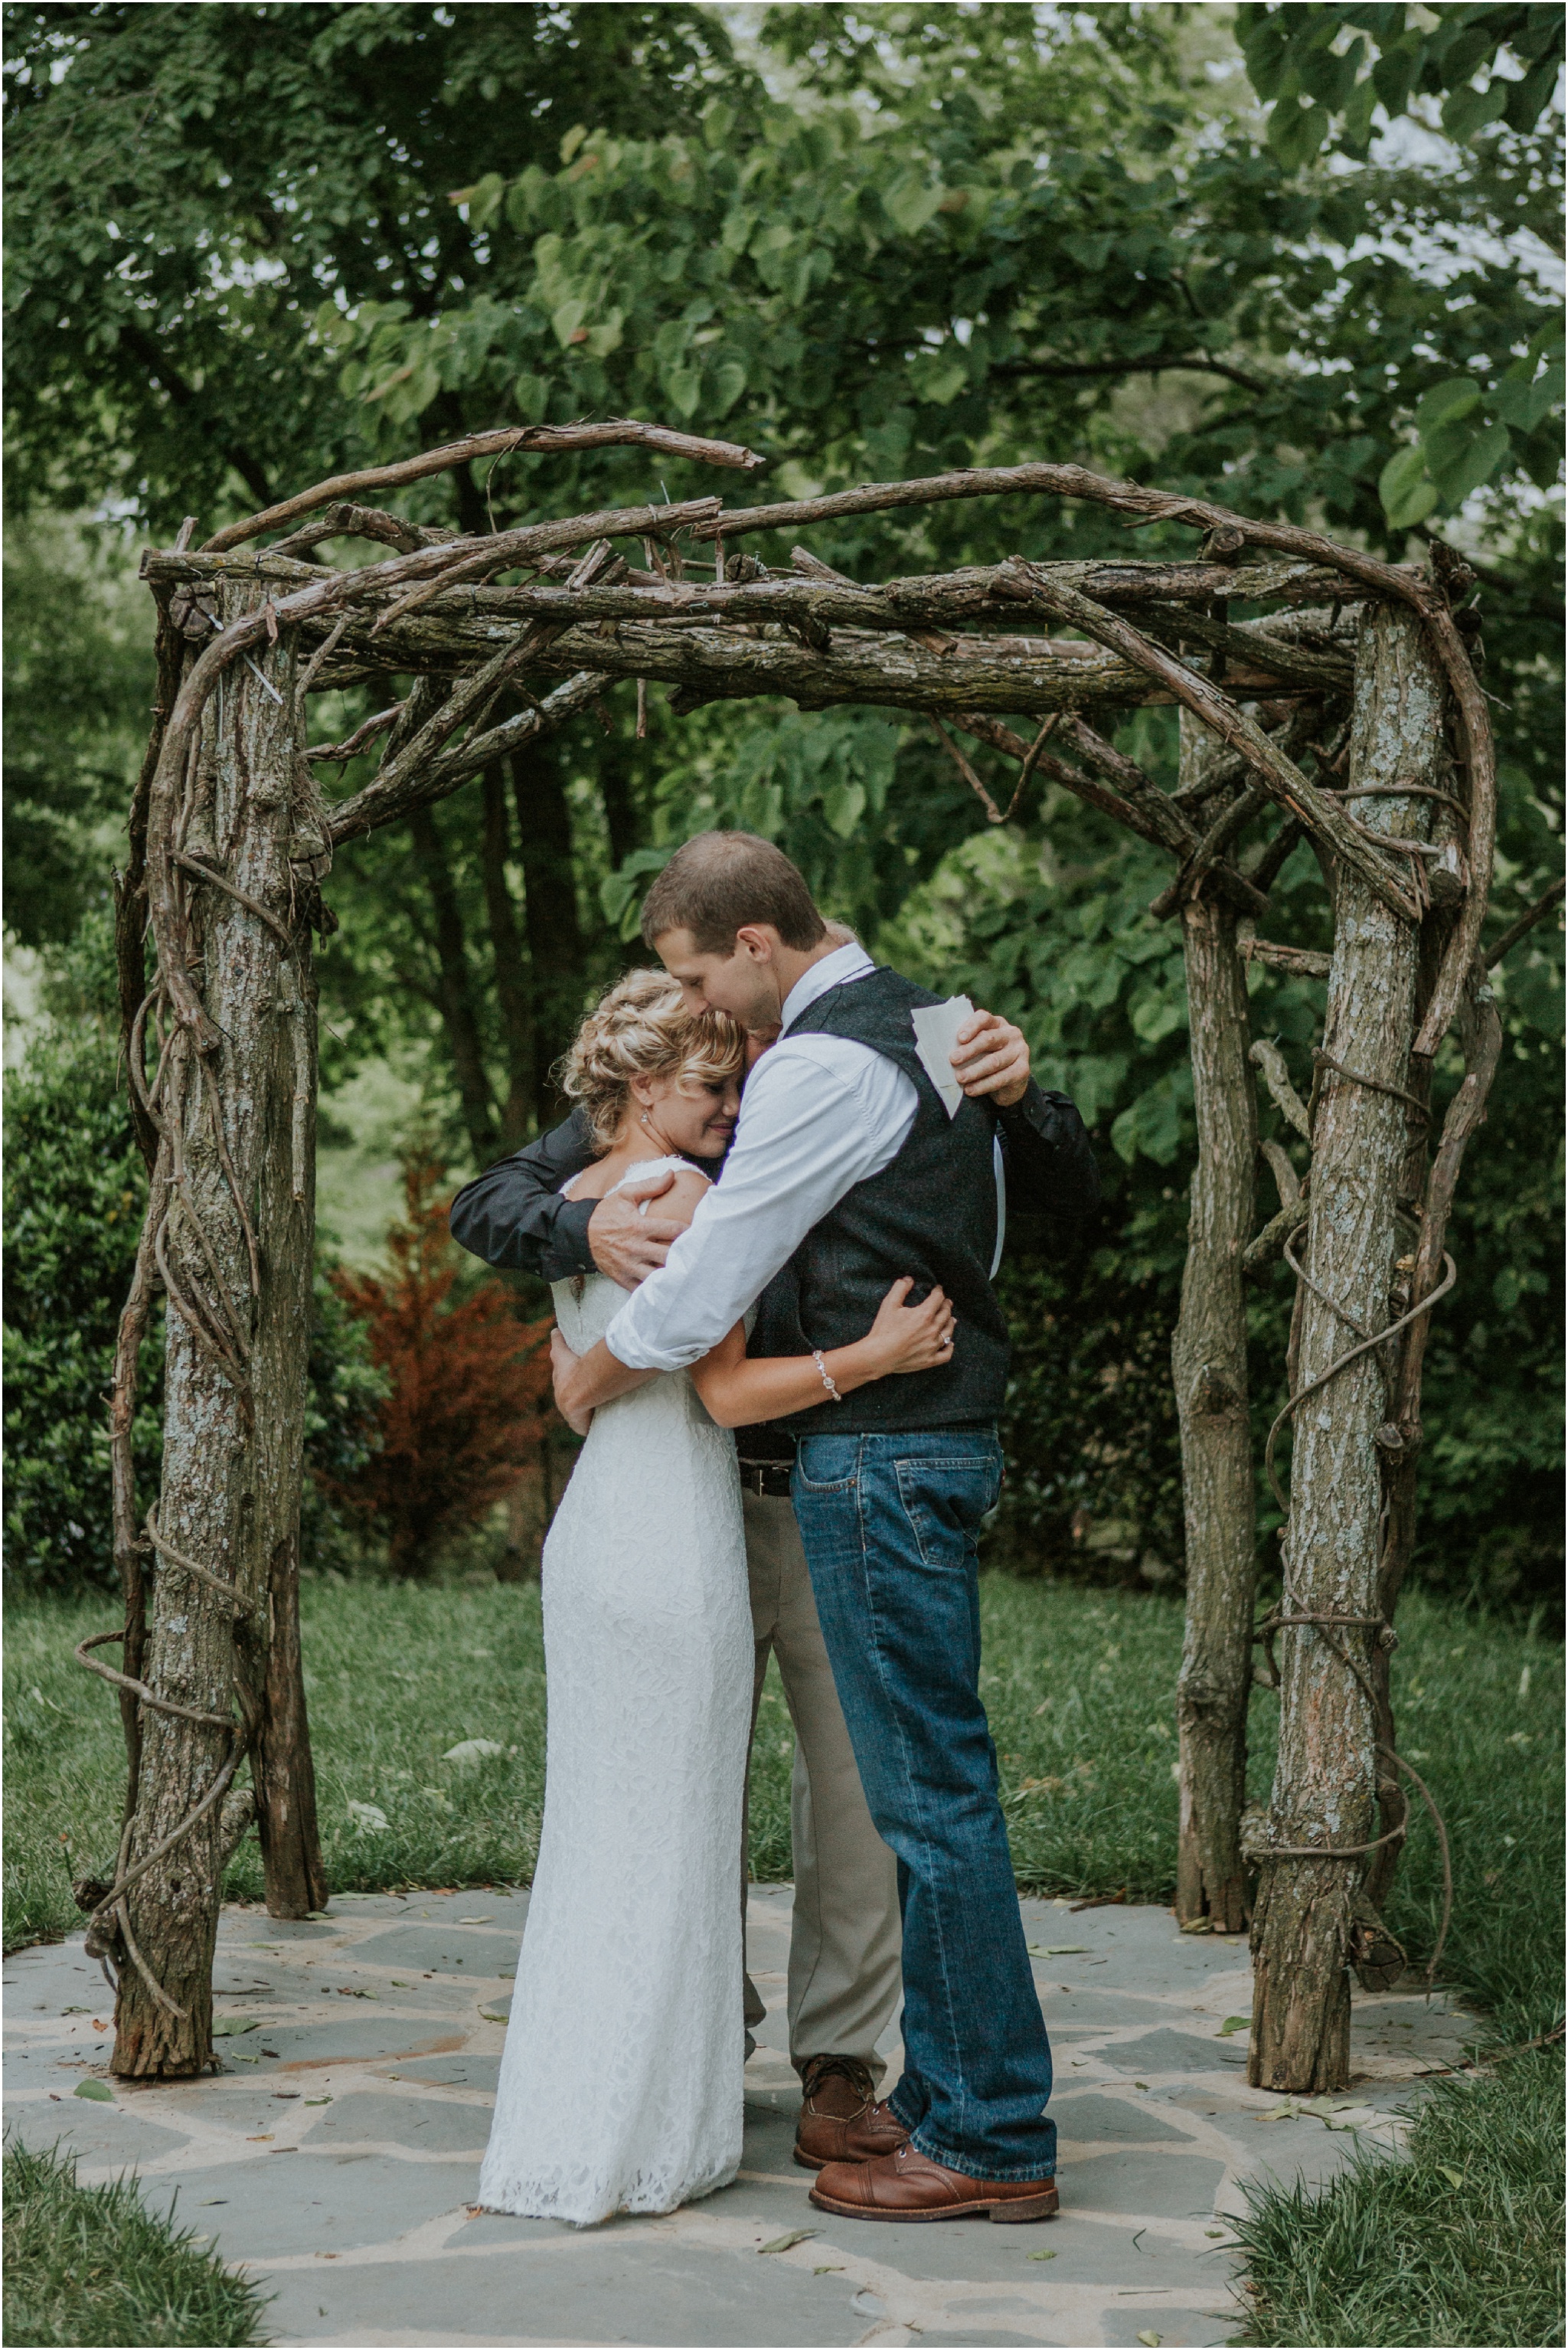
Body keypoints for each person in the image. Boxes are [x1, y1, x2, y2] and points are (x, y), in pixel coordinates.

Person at [550, 832, 1099, 2223]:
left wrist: (599, 1365)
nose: (703, 1010)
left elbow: (710, 1279)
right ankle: (942, 2094)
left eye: (697, 973)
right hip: (926, 1445)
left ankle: (990, 2136)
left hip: (882, 1460)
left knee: (930, 1803)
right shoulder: (923, 1022)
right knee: (930, 1793)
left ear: (752, 941)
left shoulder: (817, 1063)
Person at [476, 969, 959, 2227]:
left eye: (743, 1077)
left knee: (643, 1821)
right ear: (640, 1082)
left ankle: (653, 2094)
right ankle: (668, 2078)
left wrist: (582, 1381)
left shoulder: (625, 1179)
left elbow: (602, 1362)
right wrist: (879, 1353)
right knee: (666, 1822)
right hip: (684, 1525)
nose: (741, 1103)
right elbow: (717, 1385)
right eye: (714, 1082)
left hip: (647, 1527)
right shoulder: (662, 1187)